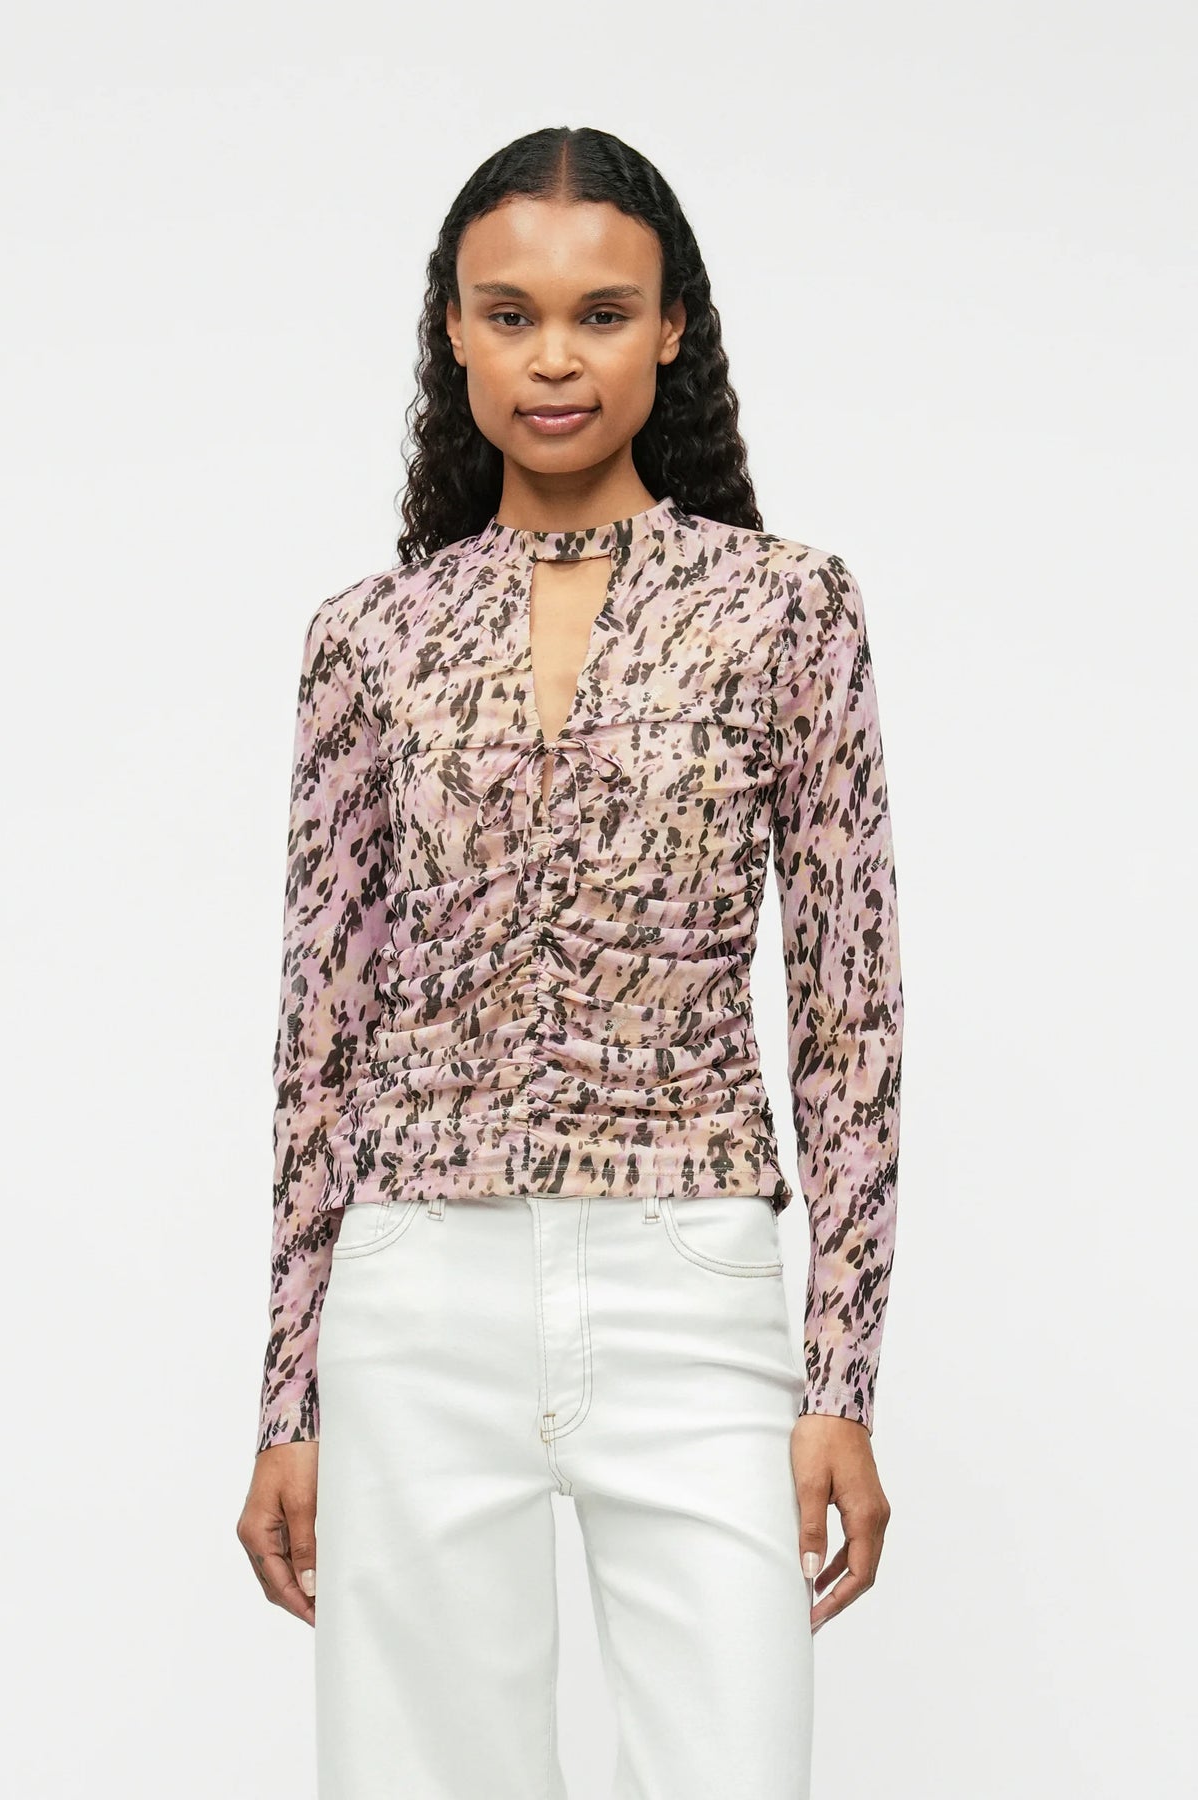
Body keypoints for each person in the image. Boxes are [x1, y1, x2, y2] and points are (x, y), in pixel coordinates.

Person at [236, 124, 903, 1800]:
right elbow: (321, 1037)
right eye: (510, 313)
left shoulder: (786, 610)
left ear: (672, 329)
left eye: (601, 314)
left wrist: (841, 1375)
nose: (554, 357)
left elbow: (851, 1016)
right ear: (453, 333)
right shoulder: (369, 640)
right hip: (416, 1292)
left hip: (691, 1282)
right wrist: (288, 1398)